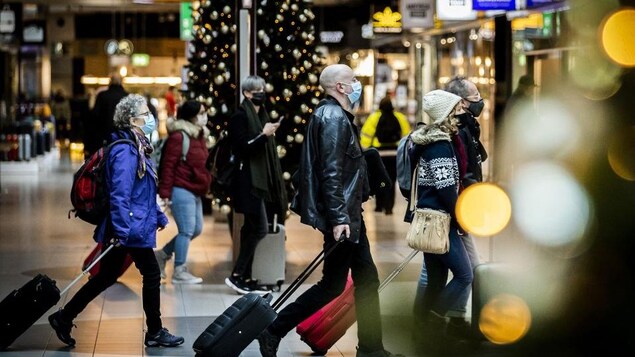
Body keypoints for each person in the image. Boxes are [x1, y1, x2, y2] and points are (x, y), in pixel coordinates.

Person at [257, 64, 403, 357]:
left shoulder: (334, 115)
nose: (357, 84)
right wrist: (339, 219)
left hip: (348, 213)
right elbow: (332, 172)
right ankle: (273, 330)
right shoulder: (333, 117)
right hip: (343, 215)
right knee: (332, 285)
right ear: (340, 87)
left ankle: (372, 348)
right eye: (353, 80)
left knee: (364, 280)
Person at [48, 94, 184, 348]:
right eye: (146, 115)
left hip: (130, 223)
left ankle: (64, 317)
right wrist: (122, 231)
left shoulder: (138, 148)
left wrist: (157, 215)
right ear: (132, 120)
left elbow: (141, 192)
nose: (151, 119)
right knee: (151, 273)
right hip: (127, 226)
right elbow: (120, 195)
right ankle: (154, 331)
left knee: (105, 277)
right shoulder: (125, 151)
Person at [407, 90, 473, 350]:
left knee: (435, 279)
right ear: (446, 114)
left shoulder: (429, 143)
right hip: (440, 221)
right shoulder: (440, 146)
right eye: (457, 109)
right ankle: (432, 325)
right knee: (464, 275)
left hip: (430, 218)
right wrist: (461, 219)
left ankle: (419, 329)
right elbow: (446, 189)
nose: (461, 113)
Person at [225, 75, 287, 294]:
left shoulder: (261, 115)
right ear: (246, 93)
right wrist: (264, 135)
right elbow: (242, 148)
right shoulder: (240, 117)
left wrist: (265, 133)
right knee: (259, 227)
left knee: (251, 227)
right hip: (247, 181)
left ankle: (246, 276)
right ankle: (237, 275)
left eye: (262, 88)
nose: (261, 93)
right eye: (256, 90)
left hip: (257, 182)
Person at [155, 100, 211, 284]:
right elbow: (168, 166)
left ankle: (162, 255)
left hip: (195, 189)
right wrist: (165, 193)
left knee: (195, 229)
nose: (205, 116)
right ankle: (179, 271)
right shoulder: (179, 137)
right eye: (202, 113)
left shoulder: (199, 136)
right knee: (186, 230)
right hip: (181, 188)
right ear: (191, 115)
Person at [360, 95, 410, 215]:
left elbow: (366, 137)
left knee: (380, 179)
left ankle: (379, 205)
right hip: (394, 154)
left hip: (379, 154)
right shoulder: (400, 117)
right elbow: (407, 136)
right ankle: (389, 207)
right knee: (391, 181)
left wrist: (366, 151)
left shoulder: (374, 118)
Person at [89, 73, 127, 156]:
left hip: (105, 136)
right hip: (123, 136)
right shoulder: (127, 96)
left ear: (110, 82)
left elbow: (95, 116)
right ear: (121, 82)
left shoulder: (102, 96)